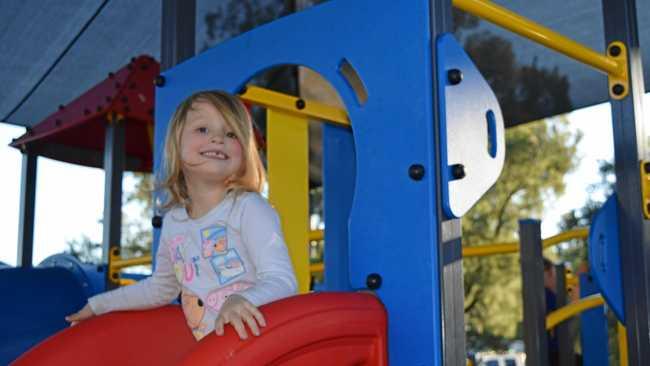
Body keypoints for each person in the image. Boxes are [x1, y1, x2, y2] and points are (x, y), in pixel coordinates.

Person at [66, 90, 297, 341]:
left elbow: (282, 280)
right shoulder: (174, 222)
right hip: (216, 354)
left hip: (263, 346)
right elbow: (160, 288)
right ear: (177, 144)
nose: (218, 138)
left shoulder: (248, 208)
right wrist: (99, 305)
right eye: (202, 130)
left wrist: (242, 300)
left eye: (231, 133)